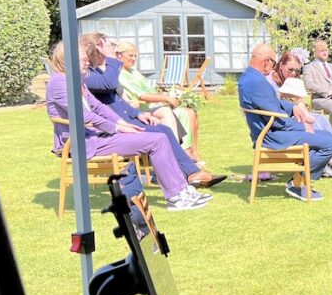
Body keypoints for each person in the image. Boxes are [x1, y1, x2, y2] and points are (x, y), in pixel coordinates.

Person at [45, 42, 210, 212]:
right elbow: (83, 116)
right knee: (157, 140)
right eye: (83, 59)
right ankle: (176, 197)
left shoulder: (75, 81)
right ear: (67, 60)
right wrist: (117, 128)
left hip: (95, 136)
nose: (87, 62)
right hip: (82, 143)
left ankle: (181, 190)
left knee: (161, 136)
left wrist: (122, 123)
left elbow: (98, 107)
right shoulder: (59, 83)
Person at [80, 32, 225, 189]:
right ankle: (185, 176)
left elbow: (117, 99)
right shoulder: (86, 74)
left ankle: (191, 172)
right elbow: (107, 85)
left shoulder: (99, 71)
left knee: (164, 129)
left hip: (126, 118)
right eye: (107, 45)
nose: (112, 48)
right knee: (161, 133)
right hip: (114, 125)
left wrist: (139, 114)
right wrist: (112, 58)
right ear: (97, 48)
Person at [238, 44, 332, 202]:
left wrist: (292, 108)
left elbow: (273, 104)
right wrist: (302, 127)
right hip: (272, 135)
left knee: (324, 134)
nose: (273, 66)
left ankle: (298, 179)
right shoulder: (256, 82)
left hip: (272, 130)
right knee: (329, 142)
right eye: (273, 62)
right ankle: (298, 183)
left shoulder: (251, 77)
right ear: (265, 61)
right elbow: (277, 119)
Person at [114, 41, 200, 161]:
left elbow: (149, 89)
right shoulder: (120, 74)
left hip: (154, 104)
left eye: (135, 56)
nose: (134, 59)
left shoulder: (133, 71)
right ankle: (181, 154)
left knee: (191, 112)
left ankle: (192, 152)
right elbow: (141, 95)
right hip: (141, 108)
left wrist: (166, 95)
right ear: (119, 55)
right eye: (130, 56)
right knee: (184, 113)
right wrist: (166, 98)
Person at [271, 50, 332, 179]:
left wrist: (306, 114)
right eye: (290, 70)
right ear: (281, 66)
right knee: (316, 121)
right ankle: (323, 164)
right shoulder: (273, 83)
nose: (294, 73)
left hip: (294, 116)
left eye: (297, 71)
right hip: (283, 120)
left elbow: (300, 103)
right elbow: (275, 106)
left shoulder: (293, 81)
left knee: (320, 119)